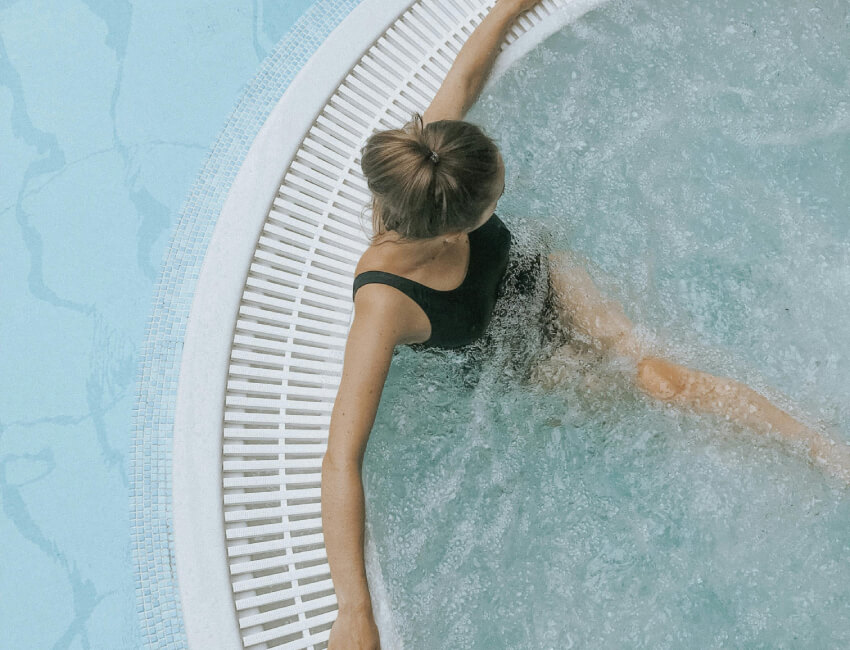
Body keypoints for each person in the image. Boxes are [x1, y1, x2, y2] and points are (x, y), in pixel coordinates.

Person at [321, 0, 850, 647]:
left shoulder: (433, 159)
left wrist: (511, 4)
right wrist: (354, 610)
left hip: (548, 279)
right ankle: (757, 460)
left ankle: (828, 452)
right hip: (508, 357)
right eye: (491, 203)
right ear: (451, 227)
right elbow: (342, 460)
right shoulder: (384, 304)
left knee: (660, 379)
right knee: (607, 398)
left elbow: (464, 74)